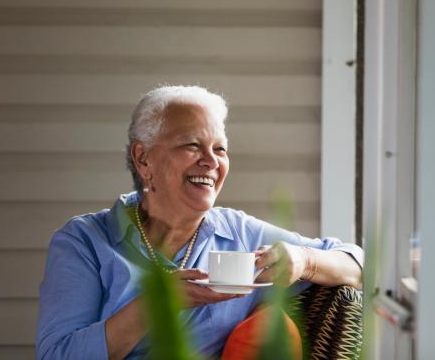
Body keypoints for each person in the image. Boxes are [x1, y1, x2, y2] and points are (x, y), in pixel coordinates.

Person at [36, 85, 363, 360]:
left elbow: (359, 264)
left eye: (220, 149)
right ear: (143, 158)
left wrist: (305, 260)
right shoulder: (85, 241)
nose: (211, 161)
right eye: (192, 145)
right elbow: (57, 354)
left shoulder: (238, 233)